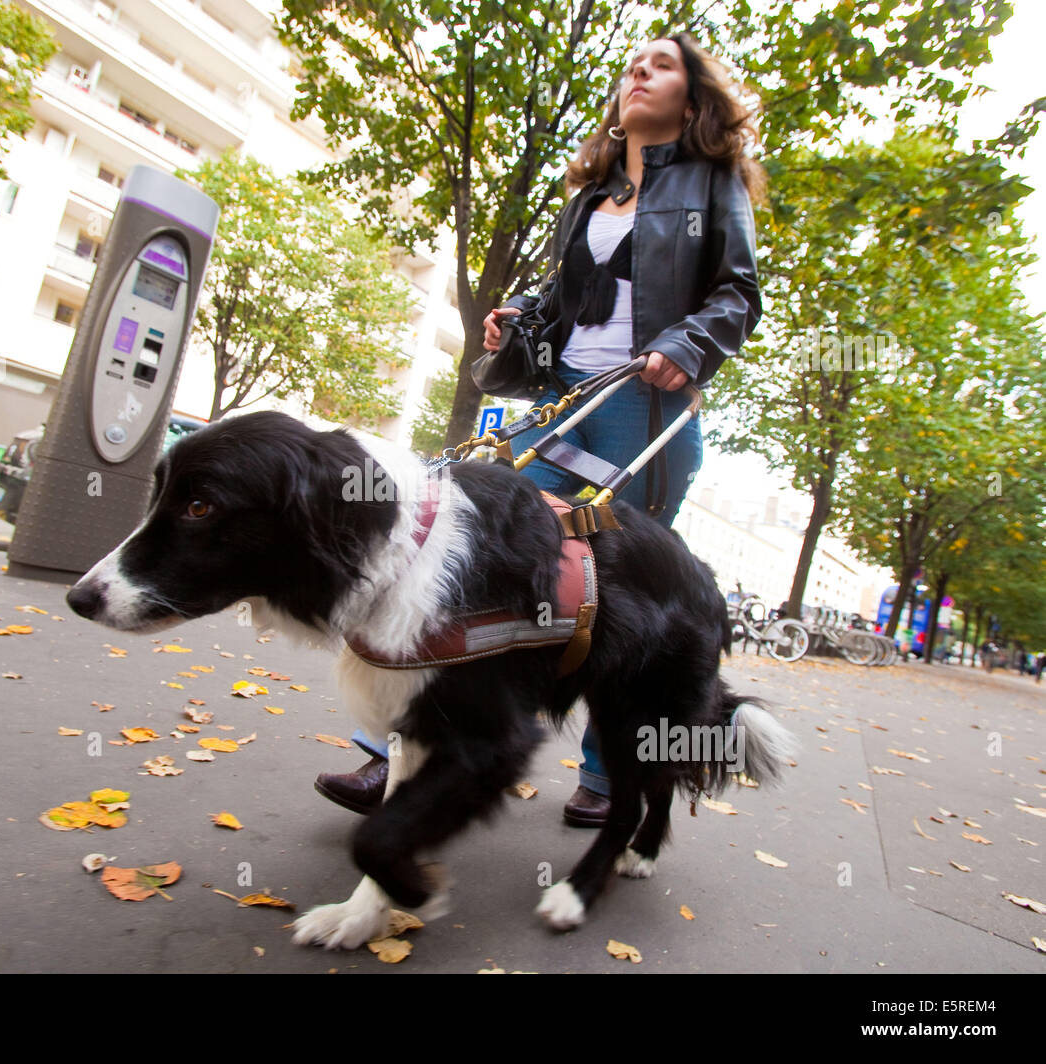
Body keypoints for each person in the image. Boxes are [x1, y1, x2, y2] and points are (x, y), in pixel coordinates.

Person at [315, 32, 765, 827]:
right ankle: (398, 752)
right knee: (470, 556)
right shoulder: (590, 200)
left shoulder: (710, 182)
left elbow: (736, 294)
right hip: (563, 401)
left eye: (661, 65)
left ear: (692, 100)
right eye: (633, 64)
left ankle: (610, 775)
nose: (639, 72)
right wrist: (518, 321)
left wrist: (685, 348)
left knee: (618, 598)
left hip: (643, 410)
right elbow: (563, 302)